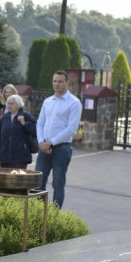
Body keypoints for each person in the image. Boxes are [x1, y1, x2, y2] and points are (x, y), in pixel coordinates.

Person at [36, 70, 82, 208]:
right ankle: (39, 216)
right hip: (44, 148)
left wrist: (51, 142)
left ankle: (55, 218)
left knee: (58, 184)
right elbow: (40, 122)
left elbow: (71, 129)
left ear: (67, 83)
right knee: (38, 183)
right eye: (55, 81)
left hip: (62, 149)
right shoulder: (48, 101)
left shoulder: (74, 103)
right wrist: (41, 142)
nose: (57, 84)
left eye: (60, 81)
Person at [0, 94, 38, 169]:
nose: (9, 105)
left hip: (21, 157)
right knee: (6, 180)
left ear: (18, 104)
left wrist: (25, 123)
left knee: (18, 180)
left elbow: (35, 130)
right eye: (8, 103)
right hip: (5, 158)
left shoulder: (26, 116)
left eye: (12, 103)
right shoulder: (4, 118)